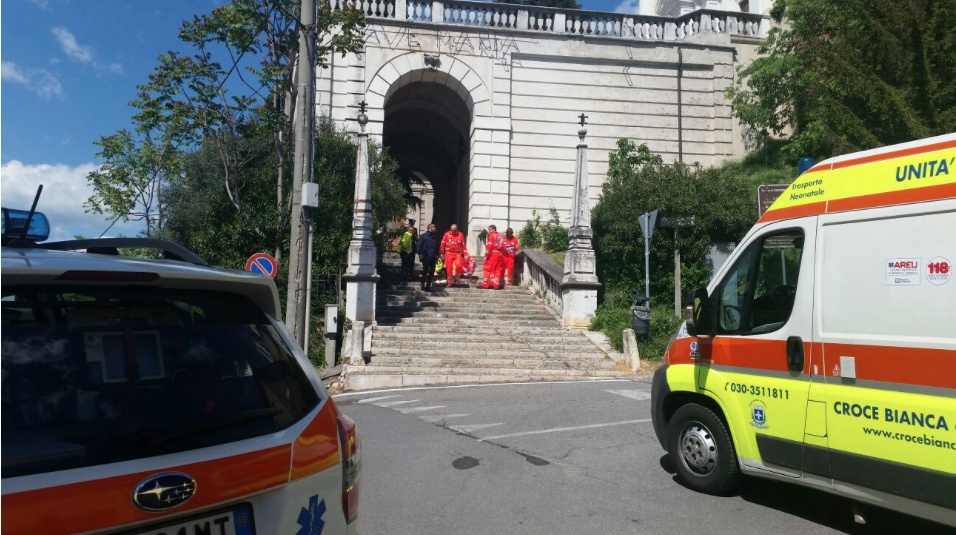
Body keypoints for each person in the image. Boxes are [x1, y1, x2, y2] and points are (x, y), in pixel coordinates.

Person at [479, 224, 505, 289]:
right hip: (500, 255)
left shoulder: (492, 236)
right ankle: (496, 285)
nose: (489, 231)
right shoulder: (500, 236)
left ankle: (485, 284)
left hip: (493, 255)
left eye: (490, 229)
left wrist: (486, 256)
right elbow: (504, 247)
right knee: (498, 269)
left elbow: (489, 247)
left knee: (488, 268)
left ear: (494, 229)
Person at [416, 223, 439, 290]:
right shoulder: (423, 236)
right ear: (430, 228)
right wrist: (419, 254)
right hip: (425, 256)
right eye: (434, 227)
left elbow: (437, 247)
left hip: (433, 257)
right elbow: (418, 245)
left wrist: (438, 255)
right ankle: (422, 284)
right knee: (425, 271)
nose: (435, 228)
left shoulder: (435, 237)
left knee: (432, 272)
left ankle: (428, 286)